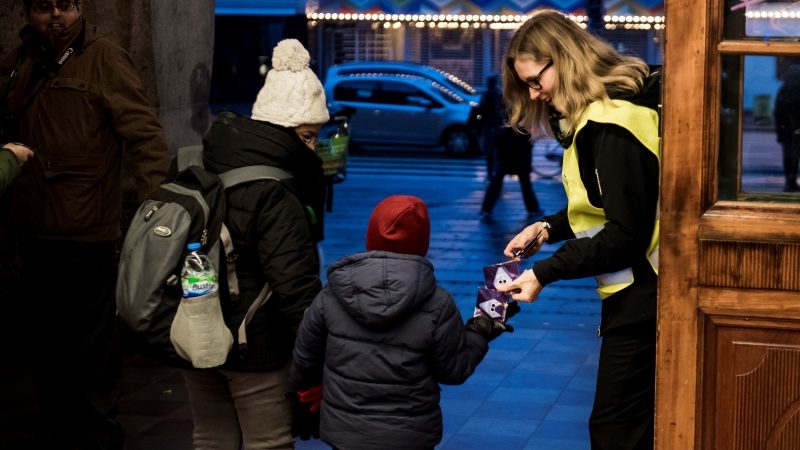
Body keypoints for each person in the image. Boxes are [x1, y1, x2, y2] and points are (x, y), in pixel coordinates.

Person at [0, 1, 169, 448]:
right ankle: (55, 423)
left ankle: (98, 429)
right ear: (27, 13)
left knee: (91, 338)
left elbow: (144, 133)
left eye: (66, 6)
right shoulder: (20, 61)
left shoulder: (104, 57)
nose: (56, 16)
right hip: (32, 223)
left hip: (86, 224)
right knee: (43, 335)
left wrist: (156, 206)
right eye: (43, 7)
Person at [496, 10, 661, 450]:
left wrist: (543, 274)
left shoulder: (612, 125)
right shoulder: (595, 120)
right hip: (635, 294)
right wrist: (545, 228)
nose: (535, 95)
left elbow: (626, 234)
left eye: (536, 81)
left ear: (564, 60)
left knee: (614, 431)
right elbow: (600, 210)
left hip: (647, 296)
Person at [180, 38, 328, 450]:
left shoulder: (208, 161)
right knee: (269, 443)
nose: (312, 147)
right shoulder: (275, 191)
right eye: (307, 135)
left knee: (210, 439)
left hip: (195, 332)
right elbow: (295, 286)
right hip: (254, 346)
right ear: (282, 130)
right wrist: (314, 360)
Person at [289, 194, 512, 450]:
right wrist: (482, 328)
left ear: (370, 236)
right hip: (410, 437)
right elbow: (454, 370)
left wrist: (309, 397)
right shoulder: (438, 303)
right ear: (422, 244)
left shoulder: (330, 295)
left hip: (345, 432)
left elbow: (304, 361)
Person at [480, 125, 541, 217]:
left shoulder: (504, 124)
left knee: (498, 180)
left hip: (507, 151)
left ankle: (486, 208)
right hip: (516, 150)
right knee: (524, 181)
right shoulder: (517, 123)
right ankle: (533, 208)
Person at [774, 64, 800, 192]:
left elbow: (778, 113)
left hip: (786, 131)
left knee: (789, 157)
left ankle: (789, 182)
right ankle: (792, 181)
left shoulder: (783, 90)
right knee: (795, 156)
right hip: (797, 129)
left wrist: (779, 131)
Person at [478, 73, 505, 178]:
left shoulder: (486, 95)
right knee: (498, 149)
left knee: (489, 150)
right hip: (499, 124)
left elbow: (481, 110)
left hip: (489, 125)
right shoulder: (500, 93)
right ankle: (497, 171)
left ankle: (490, 173)